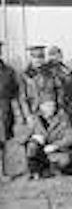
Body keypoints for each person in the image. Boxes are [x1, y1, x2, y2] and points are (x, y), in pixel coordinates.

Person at [26, 92, 72, 179]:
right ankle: (35, 171)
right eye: (48, 106)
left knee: (65, 161)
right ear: (41, 107)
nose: (51, 108)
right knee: (32, 145)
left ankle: (49, 170)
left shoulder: (63, 118)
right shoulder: (35, 119)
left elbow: (69, 138)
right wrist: (33, 137)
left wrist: (55, 146)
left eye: (53, 105)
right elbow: (23, 138)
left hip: (57, 152)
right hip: (40, 153)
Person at [20, 46, 61, 122]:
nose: (38, 60)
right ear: (31, 58)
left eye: (41, 57)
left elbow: (59, 92)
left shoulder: (51, 74)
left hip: (51, 114)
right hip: (34, 114)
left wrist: (57, 109)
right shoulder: (25, 76)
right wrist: (28, 115)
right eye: (35, 57)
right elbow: (23, 99)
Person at [0, 41, 21, 180]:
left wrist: (18, 114)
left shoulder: (9, 71)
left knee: (3, 142)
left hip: (5, 110)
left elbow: (15, 93)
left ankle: (3, 172)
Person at [47, 46, 72, 118]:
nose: (57, 57)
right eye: (54, 55)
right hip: (54, 105)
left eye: (58, 55)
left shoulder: (66, 69)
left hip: (67, 103)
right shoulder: (47, 71)